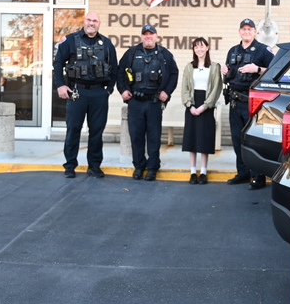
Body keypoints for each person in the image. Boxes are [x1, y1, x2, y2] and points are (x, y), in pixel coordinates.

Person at [52, 11, 118, 178]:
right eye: (89, 20)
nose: (91, 23)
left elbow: (115, 69)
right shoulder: (71, 40)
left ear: (99, 23)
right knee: (73, 129)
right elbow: (58, 63)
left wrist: (108, 90)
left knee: (96, 130)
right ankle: (70, 165)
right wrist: (60, 85)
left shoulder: (107, 43)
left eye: (95, 21)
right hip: (77, 92)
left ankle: (94, 165)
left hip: (98, 93)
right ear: (84, 21)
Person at [117, 24, 179, 182]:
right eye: (145, 34)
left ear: (156, 36)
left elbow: (174, 73)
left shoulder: (164, 54)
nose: (148, 37)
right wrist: (123, 90)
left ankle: (152, 168)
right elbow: (119, 72)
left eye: (151, 34)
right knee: (136, 136)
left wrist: (167, 92)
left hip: (154, 102)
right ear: (142, 36)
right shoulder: (131, 53)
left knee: (154, 136)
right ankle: (139, 166)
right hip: (135, 102)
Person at [221, 18, 274, 190]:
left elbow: (276, 71)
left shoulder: (263, 50)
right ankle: (242, 173)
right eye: (243, 29)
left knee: (253, 140)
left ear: (255, 32)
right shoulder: (233, 50)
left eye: (249, 29)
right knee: (237, 140)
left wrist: (257, 69)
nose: (246, 32)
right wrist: (226, 72)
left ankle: (258, 177)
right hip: (235, 101)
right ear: (239, 32)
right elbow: (230, 75)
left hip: (253, 103)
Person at [180, 37, 222, 184]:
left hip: (206, 105)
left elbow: (216, 88)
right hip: (192, 104)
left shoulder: (215, 67)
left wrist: (204, 106)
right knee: (192, 138)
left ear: (207, 47)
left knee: (204, 138)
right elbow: (184, 88)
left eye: (201, 46)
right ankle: (193, 171)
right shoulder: (189, 66)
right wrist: (190, 105)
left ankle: (203, 171)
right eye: (196, 47)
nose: (199, 49)